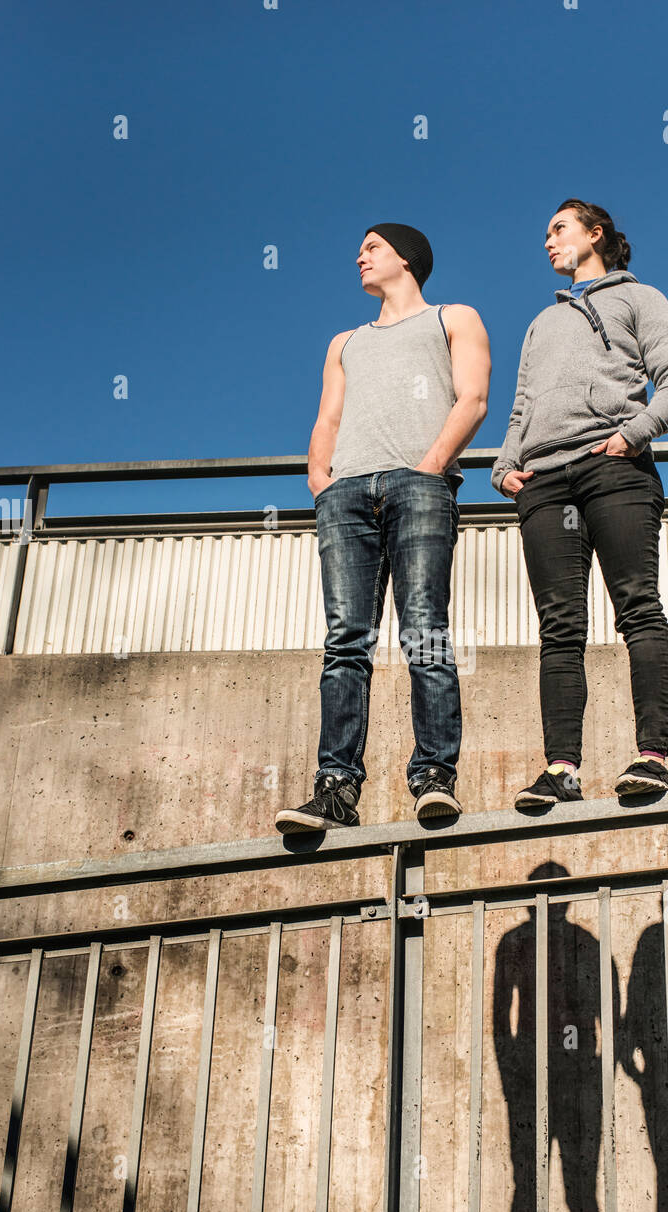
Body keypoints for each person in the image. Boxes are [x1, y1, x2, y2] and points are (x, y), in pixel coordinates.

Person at [276, 223, 491, 833]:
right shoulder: (345, 341)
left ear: (406, 258)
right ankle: (336, 790)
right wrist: (320, 477)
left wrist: (427, 469)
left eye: (371, 247)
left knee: (424, 629)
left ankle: (432, 778)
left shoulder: (454, 317)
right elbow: (330, 414)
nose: (359, 257)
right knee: (346, 641)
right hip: (344, 496)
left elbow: (471, 399)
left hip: (420, 486)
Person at [492, 199, 668, 807]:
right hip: (544, 483)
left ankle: (652, 758)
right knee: (559, 629)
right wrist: (505, 464)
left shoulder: (640, 298)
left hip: (615, 470)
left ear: (594, 233)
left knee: (636, 606)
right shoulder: (540, 324)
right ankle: (561, 771)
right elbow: (522, 407)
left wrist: (631, 435)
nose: (548, 242)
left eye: (558, 229)